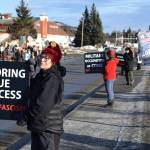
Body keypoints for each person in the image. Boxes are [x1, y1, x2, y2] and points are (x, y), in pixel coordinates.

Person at [26, 46, 64, 150]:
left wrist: (28, 116)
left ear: (53, 61)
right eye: (42, 57)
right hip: (39, 125)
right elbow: (31, 92)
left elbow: (43, 104)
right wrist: (30, 73)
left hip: (48, 127)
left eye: (46, 58)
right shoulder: (42, 75)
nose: (42, 60)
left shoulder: (53, 78)